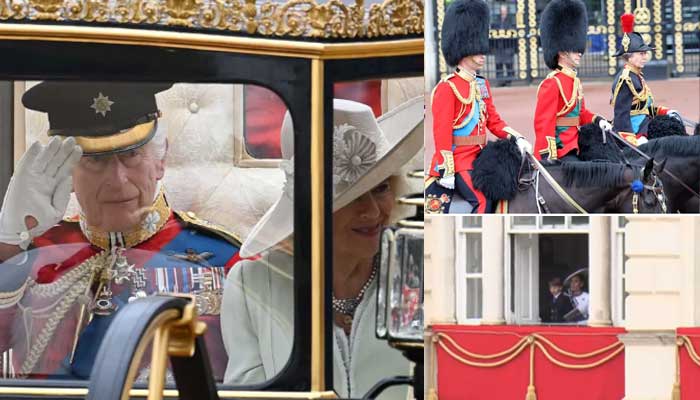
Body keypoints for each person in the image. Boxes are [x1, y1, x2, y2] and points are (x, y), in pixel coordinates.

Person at [0, 82, 241, 380]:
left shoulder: (225, 261)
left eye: (131, 156)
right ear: (67, 172)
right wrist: (10, 243)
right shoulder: (34, 254)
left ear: (160, 160)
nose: (117, 180)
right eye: (96, 161)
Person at [220, 98, 423, 399]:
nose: (372, 212)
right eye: (349, 197)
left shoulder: (421, 275)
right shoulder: (252, 285)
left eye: (381, 188)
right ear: (309, 209)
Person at [426, 0, 532, 214]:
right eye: (478, 48)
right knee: (481, 200)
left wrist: (517, 137)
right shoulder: (448, 88)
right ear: (464, 48)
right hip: (459, 161)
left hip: (481, 157)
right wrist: (447, 169)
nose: (484, 53)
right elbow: (442, 133)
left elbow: (494, 121)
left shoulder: (481, 84)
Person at [533, 0, 613, 161]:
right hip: (562, 149)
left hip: (578, 144)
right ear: (562, 52)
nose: (580, 53)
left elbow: (581, 114)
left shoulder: (575, 81)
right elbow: (544, 124)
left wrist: (598, 120)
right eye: (575, 50)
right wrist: (548, 156)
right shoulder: (552, 83)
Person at [610, 13, 681, 146]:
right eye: (641, 54)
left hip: (644, 125)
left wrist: (664, 111)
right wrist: (632, 141)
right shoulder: (626, 79)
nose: (645, 57)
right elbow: (621, 116)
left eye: (645, 53)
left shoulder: (636, 75)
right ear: (629, 57)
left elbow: (642, 108)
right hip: (634, 131)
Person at [493, 5, 516, 86]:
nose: (503, 11)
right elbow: (493, 28)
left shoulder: (511, 19)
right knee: (498, 63)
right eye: (502, 10)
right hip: (498, 45)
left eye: (504, 10)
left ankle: (509, 80)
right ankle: (500, 81)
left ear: (507, 11)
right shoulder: (497, 19)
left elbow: (514, 29)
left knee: (509, 63)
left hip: (508, 45)